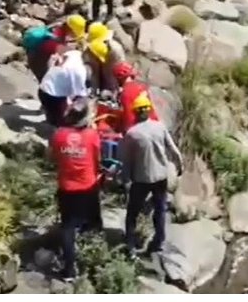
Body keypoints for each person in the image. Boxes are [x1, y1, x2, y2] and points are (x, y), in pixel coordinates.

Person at [120, 93, 183, 256]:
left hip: (141, 179)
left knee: (132, 212)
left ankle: (130, 244)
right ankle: (159, 240)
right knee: (160, 209)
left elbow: (126, 160)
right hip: (160, 177)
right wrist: (179, 165)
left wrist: (125, 181)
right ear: (149, 110)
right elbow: (173, 149)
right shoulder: (159, 127)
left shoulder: (132, 134)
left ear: (135, 112)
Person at [50, 101, 103, 282]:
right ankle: (96, 255)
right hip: (88, 186)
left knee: (67, 228)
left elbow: (52, 157)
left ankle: (69, 270)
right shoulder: (91, 135)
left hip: (67, 187)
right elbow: (98, 159)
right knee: (93, 218)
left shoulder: (58, 135)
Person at [24, 14, 87, 80]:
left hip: (35, 54)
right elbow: (65, 53)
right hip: (37, 60)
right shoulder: (56, 39)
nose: (75, 36)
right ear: (70, 29)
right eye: (74, 33)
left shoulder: (58, 26)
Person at [39, 48, 90, 126]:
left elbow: (55, 59)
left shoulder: (75, 53)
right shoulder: (80, 72)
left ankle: (50, 117)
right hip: (54, 97)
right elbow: (80, 99)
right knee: (64, 122)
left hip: (44, 87)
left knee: (53, 115)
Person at [114, 62, 159, 132]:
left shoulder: (126, 93)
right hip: (155, 126)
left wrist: (126, 133)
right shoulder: (142, 87)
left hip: (142, 130)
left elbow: (129, 116)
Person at [85, 23, 127, 97]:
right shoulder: (90, 50)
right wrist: (94, 91)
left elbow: (120, 71)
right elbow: (94, 72)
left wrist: (114, 91)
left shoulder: (116, 50)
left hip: (112, 81)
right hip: (100, 78)